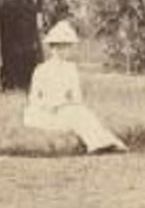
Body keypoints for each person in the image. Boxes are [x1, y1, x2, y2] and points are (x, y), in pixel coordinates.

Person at [23, 20, 126, 154]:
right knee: (74, 115)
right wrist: (48, 106)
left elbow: (77, 97)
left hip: (64, 109)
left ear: (69, 48)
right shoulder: (41, 70)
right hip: (45, 112)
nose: (61, 51)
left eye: (65, 47)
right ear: (51, 48)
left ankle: (106, 143)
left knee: (82, 114)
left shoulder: (70, 69)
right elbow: (33, 98)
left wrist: (66, 105)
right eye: (57, 47)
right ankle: (98, 143)